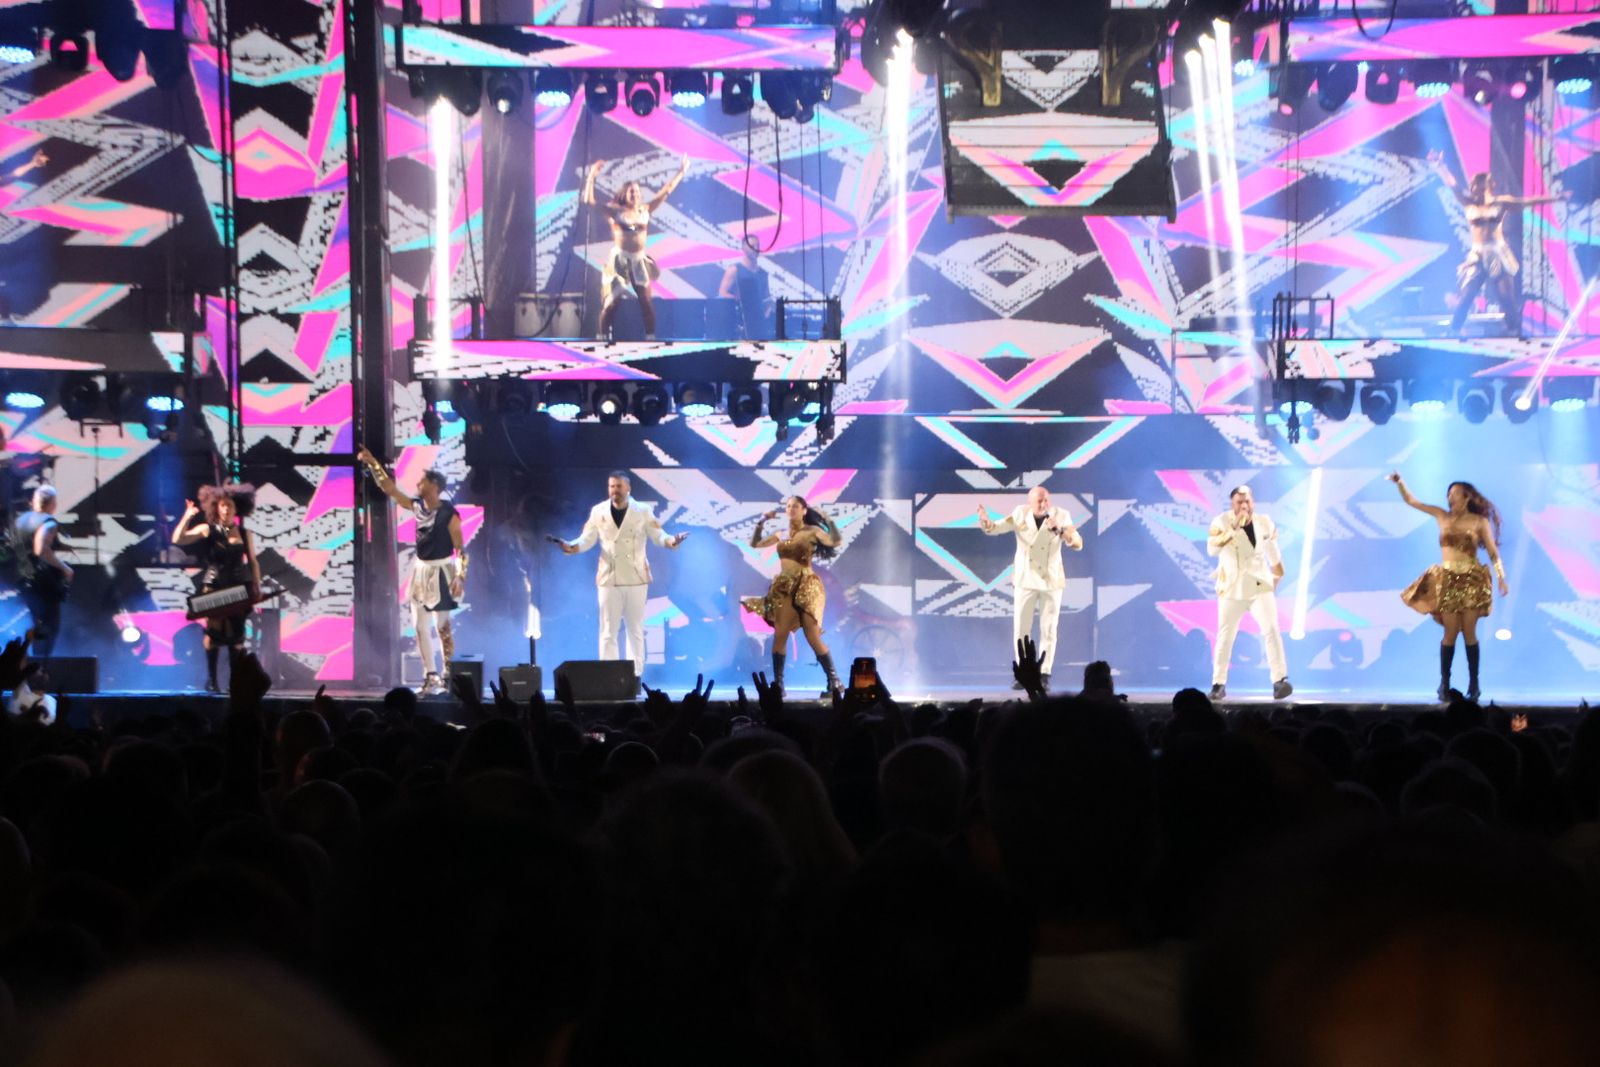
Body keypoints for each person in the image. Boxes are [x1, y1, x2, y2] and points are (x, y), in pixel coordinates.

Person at [557, 471, 687, 686]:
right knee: (608, 630)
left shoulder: (643, 511)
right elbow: (586, 538)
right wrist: (571, 546)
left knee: (635, 629)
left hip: (636, 577)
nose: (614, 490)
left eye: (618, 486)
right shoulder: (598, 511)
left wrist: (672, 541)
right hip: (609, 577)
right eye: (611, 486)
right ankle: (609, 677)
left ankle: (634, 677)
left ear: (628, 488)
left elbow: (658, 535)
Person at [1388, 473, 1508, 702]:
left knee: (1469, 632)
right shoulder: (1441, 515)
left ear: (1466, 497)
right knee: (1450, 632)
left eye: (1455, 493)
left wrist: (1501, 577)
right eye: (1449, 494)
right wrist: (1400, 483)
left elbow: (1493, 552)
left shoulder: (1479, 521)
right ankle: (1445, 683)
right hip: (1449, 579)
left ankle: (1474, 683)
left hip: (1471, 580)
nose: (1450, 497)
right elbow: (1413, 501)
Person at [357, 447, 467, 696]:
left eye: (423, 481)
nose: (418, 484)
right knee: (420, 626)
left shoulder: (449, 514)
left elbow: (461, 549)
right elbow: (390, 489)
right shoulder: (417, 507)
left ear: (434, 485)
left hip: (442, 570)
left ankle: (448, 675)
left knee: (442, 626)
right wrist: (373, 463)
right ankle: (431, 675)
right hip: (421, 570)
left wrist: (460, 576)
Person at [1428, 152, 1569, 337]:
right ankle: (1454, 329)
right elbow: (1453, 185)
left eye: (1478, 186)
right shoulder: (1468, 203)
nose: (1474, 189)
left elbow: (1528, 202)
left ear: (1488, 187)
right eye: (1472, 186)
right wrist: (1440, 166)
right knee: (1467, 294)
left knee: (1505, 296)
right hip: (1477, 255)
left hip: (1496, 254)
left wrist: (1556, 198)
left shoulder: (1501, 203)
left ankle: (1513, 329)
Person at [978, 486, 1083, 693]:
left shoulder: (1061, 516)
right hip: (1025, 579)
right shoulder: (1020, 514)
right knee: (1021, 629)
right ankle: (1024, 673)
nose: (1044, 504)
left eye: (1046, 500)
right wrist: (985, 521)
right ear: (1030, 502)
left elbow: (1078, 543)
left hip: (1051, 580)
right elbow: (996, 527)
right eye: (1039, 501)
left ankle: (1044, 673)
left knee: (1049, 629)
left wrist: (1060, 531)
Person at [742, 495, 843, 698]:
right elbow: (755, 543)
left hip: (806, 585)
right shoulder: (781, 534)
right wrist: (762, 521)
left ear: (804, 510)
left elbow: (835, 541)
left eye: (795, 506)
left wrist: (828, 520)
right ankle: (778, 684)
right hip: (784, 586)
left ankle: (834, 681)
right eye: (788, 506)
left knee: (812, 635)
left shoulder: (812, 531)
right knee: (780, 634)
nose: (791, 509)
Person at [583, 154, 689, 341]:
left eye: (638, 192)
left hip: (639, 260)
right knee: (611, 303)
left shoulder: (645, 210)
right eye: (632, 192)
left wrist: (681, 171)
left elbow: (666, 191)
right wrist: (591, 176)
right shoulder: (615, 211)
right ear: (625, 194)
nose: (635, 195)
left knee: (646, 302)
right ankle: (601, 338)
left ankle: (651, 338)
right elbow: (589, 202)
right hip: (619, 261)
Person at [173, 484, 262, 693]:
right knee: (214, 633)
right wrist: (187, 516)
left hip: (237, 587)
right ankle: (212, 680)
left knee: (237, 636)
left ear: (236, 508)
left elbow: (253, 561)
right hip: (213, 587)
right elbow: (178, 539)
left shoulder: (244, 533)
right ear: (216, 507)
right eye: (223, 505)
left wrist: (257, 584)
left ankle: (234, 681)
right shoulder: (207, 529)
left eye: (230, 505)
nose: (226, 509)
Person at [1206, 485, 1292, 701]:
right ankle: (1218, 683)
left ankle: (1279, 680)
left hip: (1259, 585)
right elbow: (1212, 549)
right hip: (1231, 587)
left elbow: (1272, 549)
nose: (1244, 505)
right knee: (1226, 636)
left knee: (1271, 629)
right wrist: (1234, 527)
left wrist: (1278, 573)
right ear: (1232, 503)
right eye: (1239, 502)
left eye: (1247, 501)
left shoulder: (1264, 522)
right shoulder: (1221, 522)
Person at [11, 485, 71, 656]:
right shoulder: (48, 522)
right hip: (42, 582)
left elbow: (24, 546)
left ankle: (31, 661)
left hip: (22, 578)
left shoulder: (20, 521)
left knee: (37, 622)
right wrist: (65, 568)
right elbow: (40, 549)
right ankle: (40, 663)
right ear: (52, 503)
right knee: (50, 625)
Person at [718, 234, 773, 339]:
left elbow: (766, 297)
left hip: (759, 323)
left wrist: (768, 310)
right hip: (740, 323)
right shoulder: (734, 270)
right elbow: (722, 293)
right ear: (743, 248)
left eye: (757, 245)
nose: (756, 249)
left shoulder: (763, 273)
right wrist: (740, 301)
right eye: (752, 246)